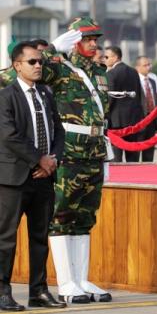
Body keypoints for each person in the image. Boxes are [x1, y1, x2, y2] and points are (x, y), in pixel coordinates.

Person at [38, 17, 112, 304]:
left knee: (85, 217)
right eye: (87, 39)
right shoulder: (59, 69)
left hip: (94, 150)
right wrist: (53, 48)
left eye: (95, 39)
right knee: (62, 215)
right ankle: (66, 282)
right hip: (69, 150)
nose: (94, 44)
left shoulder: (100, 71)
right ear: (74, 41)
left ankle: (81, 279)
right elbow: (33, 70)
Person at [0, 42, 65, 311]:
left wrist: (52, 161)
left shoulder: (46, 94)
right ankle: (3, 292)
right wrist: (39, 159)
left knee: (40, 237)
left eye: (41, 62)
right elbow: (9, 135)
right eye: (33, 62)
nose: (39, 66)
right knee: (6, 238)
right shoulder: (6, 96)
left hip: (43, 177)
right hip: (14, 178)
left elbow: (58, 131)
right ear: (17, 65)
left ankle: (38, 291)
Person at [105, 46, 144, 162]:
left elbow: (110, 98)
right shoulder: (134, 72)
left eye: (107, 57)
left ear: (115, 57)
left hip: (116, 121)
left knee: (116, 157)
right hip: (133, 120)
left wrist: (105, 114)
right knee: (133, 155)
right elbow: (139, 95)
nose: (105, 59)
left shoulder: (111, 73)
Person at [135, 56, 157, 162]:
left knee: (149, 152)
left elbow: (155, 99)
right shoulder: (134, 81)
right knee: (136, 151)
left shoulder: (153, 81)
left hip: (152, 120)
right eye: (145, 65)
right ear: (138, 67)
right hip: (139, 121)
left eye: (149, 65)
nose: (148, 67)